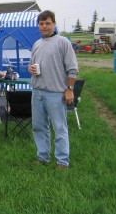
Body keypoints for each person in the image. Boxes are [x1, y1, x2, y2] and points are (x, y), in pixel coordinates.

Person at [29, 10, 79, 169]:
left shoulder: (63, 42)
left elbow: (72, 69)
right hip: (37, 92)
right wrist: (31, 70)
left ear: (54, 24)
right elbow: (33, 65)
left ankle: (62, 161)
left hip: (56, 93)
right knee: (39, 127)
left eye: (48, 23)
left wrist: (69, 89)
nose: (44, 27)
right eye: (42, 24)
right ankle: (43, 156)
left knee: (59, 127)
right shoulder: (37, 44)